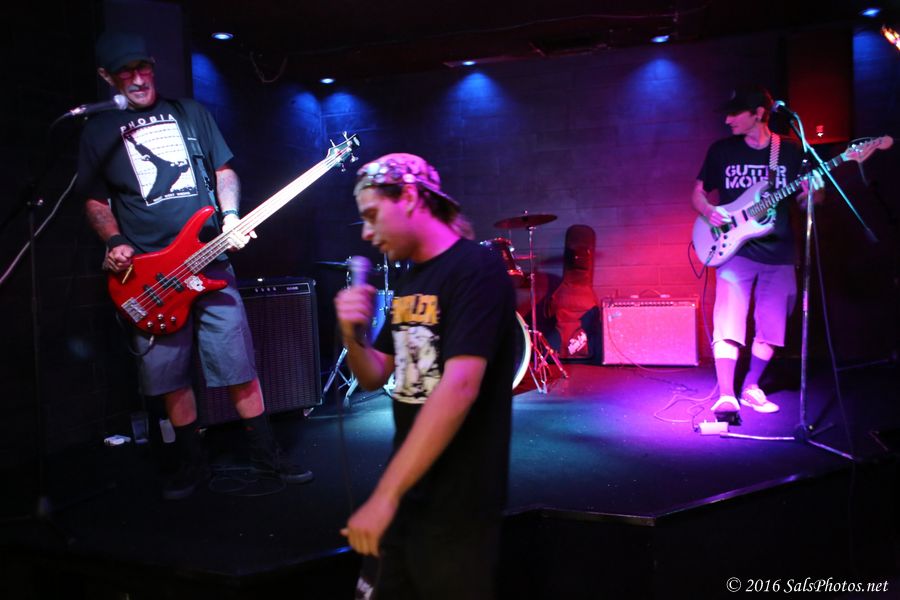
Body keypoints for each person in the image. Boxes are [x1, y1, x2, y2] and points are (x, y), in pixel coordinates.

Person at [77, 32, 312, 500]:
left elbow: (224, 170)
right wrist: (115, 241)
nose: (138, 79)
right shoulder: (98, 131)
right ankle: (193, 464)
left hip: (210, 260)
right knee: (170, 377)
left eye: (143, 67)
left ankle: (267, 457)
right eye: (126, 72)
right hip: (150, 276)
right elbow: (95, 200)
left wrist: (230, 216)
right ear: (106, 76)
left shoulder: (190, 113)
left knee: (239, 363)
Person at [334, 153, 517, 598]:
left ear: (410, 198)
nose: (366, 232)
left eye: (372, 215)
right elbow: (375, 374)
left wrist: (384, 496)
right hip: (410, 488)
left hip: (459, 504)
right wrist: (351, 335)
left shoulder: (476, 269)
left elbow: (459, 387)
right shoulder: (412, 280)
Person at [691, 85, 823, 421]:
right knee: (728, 322)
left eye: (735, 114)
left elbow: (807, 201)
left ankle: (751, 386)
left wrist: (814, 194)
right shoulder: (722, 150)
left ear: (759, 113)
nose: (727, 120)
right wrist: (708, 210)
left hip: (780, 252)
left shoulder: (791, 150)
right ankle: (726, 395)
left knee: (772, 327)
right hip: (735, 250)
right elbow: (698, 193)